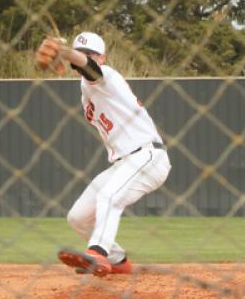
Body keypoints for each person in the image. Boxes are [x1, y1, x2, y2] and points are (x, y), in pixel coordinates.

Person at [36, 31, 171, 276]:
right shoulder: (85, 89)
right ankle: (119, 262)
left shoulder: (106, 75)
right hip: (124, 163)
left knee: (109, 196)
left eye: (91, 54)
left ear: (102, 57)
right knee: (78, 217)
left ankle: (98, 253)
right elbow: (84, 68)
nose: (85, 57)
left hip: (148, 156)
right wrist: (64, 57)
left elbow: (91, 69)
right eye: (81, 52)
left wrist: (65, 52)